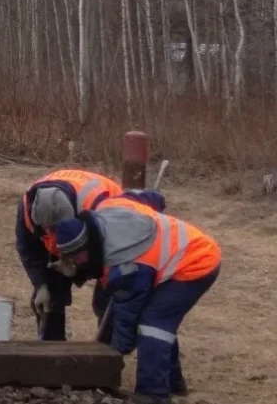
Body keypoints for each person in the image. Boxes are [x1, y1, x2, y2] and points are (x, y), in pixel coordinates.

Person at [52, 205, 221, 403]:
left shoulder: (125, 265)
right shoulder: (99, 226)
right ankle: (174, 384)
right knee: (159, 323)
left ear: (87, 245)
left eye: (75, 256)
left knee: (153, 325)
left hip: (196, 261)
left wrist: (111, 355)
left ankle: (153, 394)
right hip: (175, 255)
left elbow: (127, 316)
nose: (74, 262)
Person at [16, 169, 166, 341]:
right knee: (49, 297)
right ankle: (52, 352)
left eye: (59, 229)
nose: (53, 235)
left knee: (106, 300)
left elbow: (104, 257)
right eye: (48, 230)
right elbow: (29, 249)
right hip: (82, 230)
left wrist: (78, 270)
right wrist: (42, 284)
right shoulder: (28, 208)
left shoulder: (101, 207)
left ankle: (107, 353)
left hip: (111, 241)